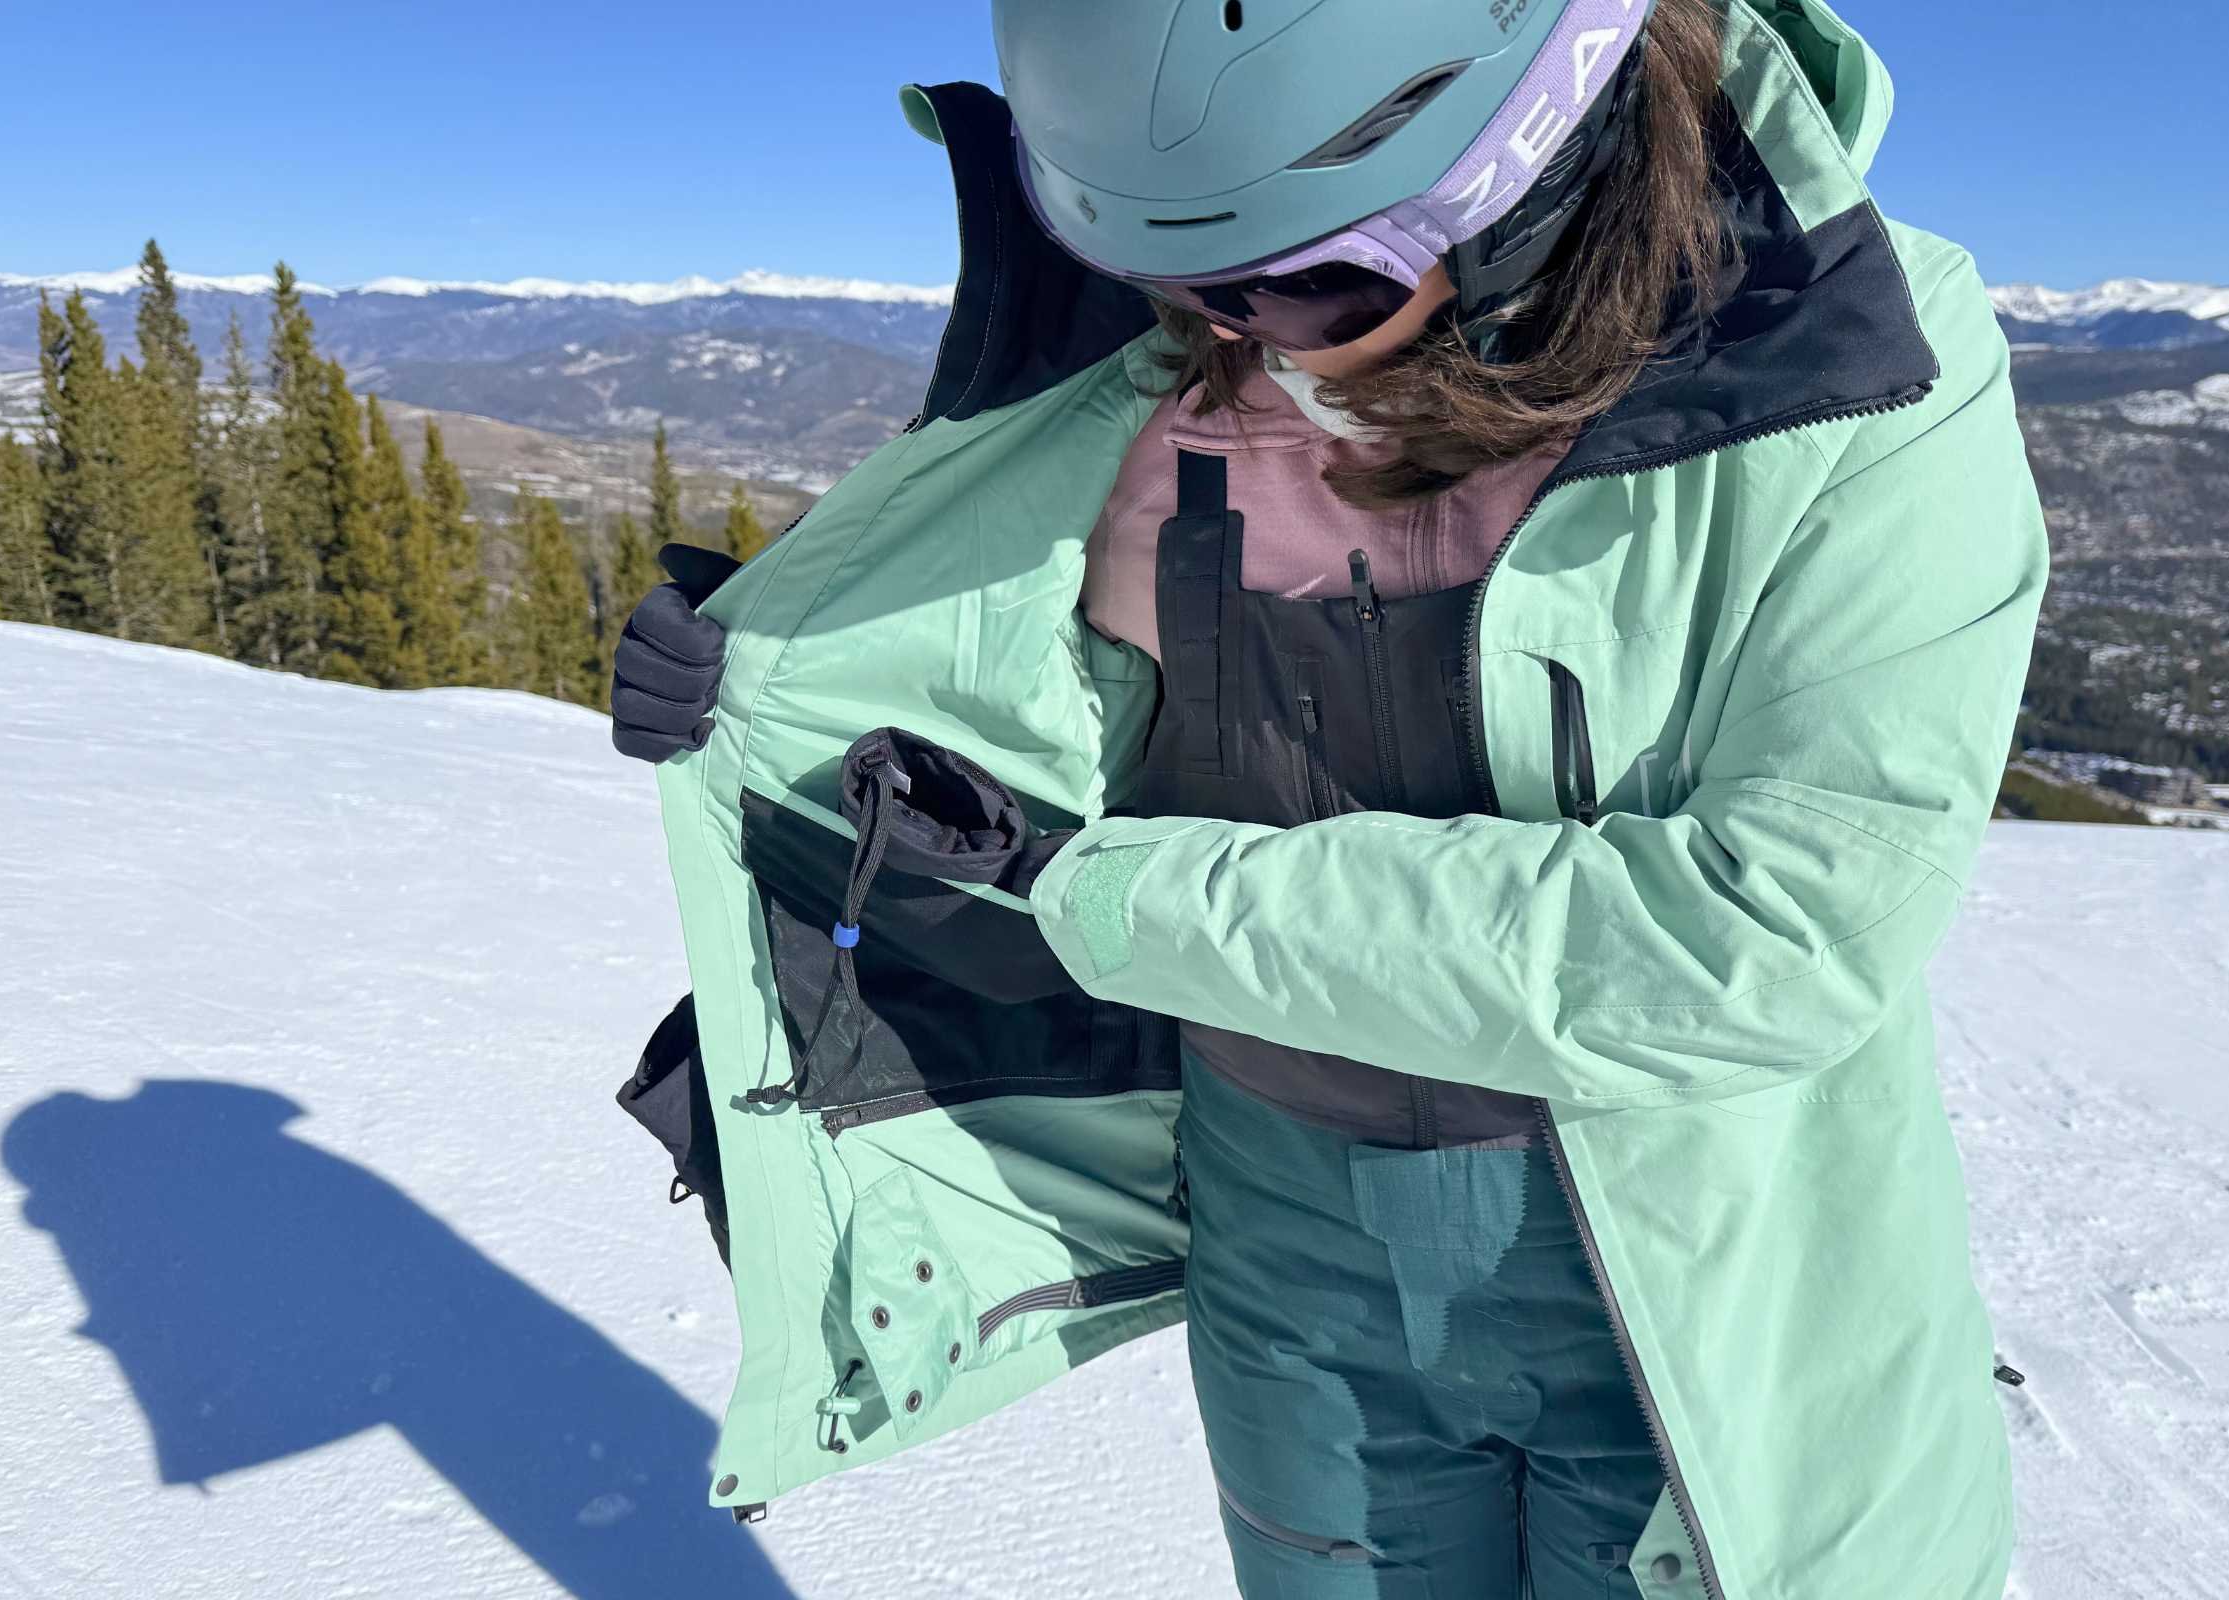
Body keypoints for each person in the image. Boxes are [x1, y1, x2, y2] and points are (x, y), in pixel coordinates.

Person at [611, 2, 2046, 1595]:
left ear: (1546, 148)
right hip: (1287, 1243)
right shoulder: (1155, 391)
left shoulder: (1856, 362)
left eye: (1315, 282)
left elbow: (1768, 931)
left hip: (1689, 1254)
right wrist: (785, 688)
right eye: (1180, 278)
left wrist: (1113, 896)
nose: (1252, 332)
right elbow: (1040, 729)